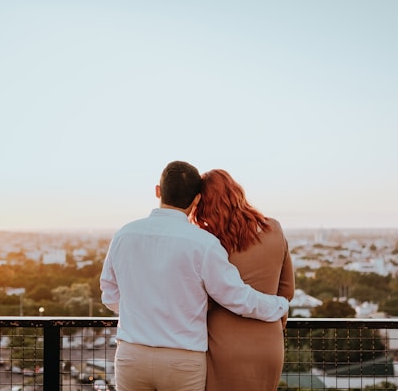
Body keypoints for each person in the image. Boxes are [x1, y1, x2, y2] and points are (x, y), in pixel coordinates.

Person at [100, 161, 290, 391]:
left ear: (158, 191)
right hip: (183, 359)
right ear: (196, 199)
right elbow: (236, 296)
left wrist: (144, 310)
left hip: (132, 355)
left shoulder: (124, 235)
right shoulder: (204, 244)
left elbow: (109, 295)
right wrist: (278, 306)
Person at [191, 169, 295, 391]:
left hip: (221, 345)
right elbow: (287, 290)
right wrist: (275, 323)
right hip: (269, 343)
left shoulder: (208, 242)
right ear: (237, 193)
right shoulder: (274, 229)